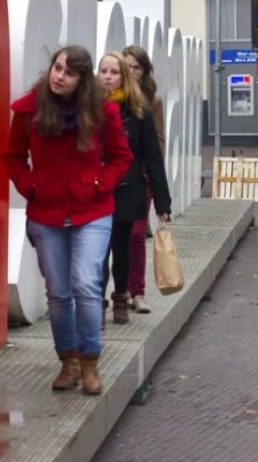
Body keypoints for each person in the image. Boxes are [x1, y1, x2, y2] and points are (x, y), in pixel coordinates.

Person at [5, 45, 133, 395]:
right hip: (46, 212)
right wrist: (31, 186)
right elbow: (13, 156)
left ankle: (91, 361)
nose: (59, 76)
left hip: (92, 210)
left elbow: (122, 156)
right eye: (57, 68)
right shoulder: (29, 109)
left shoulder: (101, 111)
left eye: (69, 72)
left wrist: (100, 185)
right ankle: (69, 361)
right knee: (59, 294)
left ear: (81, 80)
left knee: (86, 284)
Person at [97, 51, 172, 325]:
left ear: (125, 77)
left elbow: (152, 156)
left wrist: (163, 203)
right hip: (96, 192)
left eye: (114, 72)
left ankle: (120, 297)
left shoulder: (140, 112)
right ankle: (98, 304)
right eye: (103, 71)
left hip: (128, 189)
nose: (108, 77)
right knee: (98, 251)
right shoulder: (88, 109)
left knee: (122, 247)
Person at [122, 45, 165, 315]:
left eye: (136, 67)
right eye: (127, 66)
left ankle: (137, 292)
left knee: (137, 234)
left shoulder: (153, 101)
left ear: (144, 71)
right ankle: (120, 291)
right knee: (117, 236)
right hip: (115, 179)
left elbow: (159, 139)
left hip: (141, 177)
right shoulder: (107, 98)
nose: (132, 72)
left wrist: (155, 175)